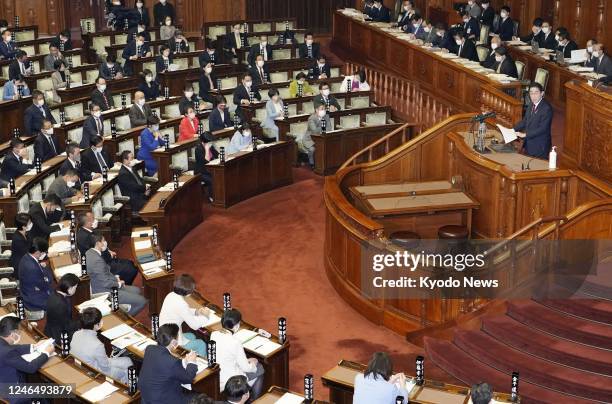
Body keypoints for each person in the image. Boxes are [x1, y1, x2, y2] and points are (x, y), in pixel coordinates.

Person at [87, 233, 147, 316]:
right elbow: (106, 283)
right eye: (103, 241)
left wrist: (116, 277)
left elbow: (105, 273)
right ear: (98, 244)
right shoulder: (97, 260)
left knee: (137, 290)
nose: (105, 242)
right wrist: (118, 284)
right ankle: (125, 319)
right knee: (142, 301)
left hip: (107, 284)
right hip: (105, 292)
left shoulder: (89, 252)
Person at [211, 309, 264, 399]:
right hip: (232, 380)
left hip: (217, 376)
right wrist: (253, 363)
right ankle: (253, 400)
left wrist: (246, 361)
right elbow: (246, 368)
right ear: (236, 325)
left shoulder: (214, 334)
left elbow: (226, 356)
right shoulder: (235, 342)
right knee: (260, 368)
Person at [70, 307, 134, 383]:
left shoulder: (76, 334)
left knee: (126, 361)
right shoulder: (97, 345)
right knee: (126, 365)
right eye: (101, 320)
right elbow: (105, 367)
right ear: (96, 325)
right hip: (95, 372)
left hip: (83, 365)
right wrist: (112, 360)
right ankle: (126, 388)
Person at [139, 323, 198, 404]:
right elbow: (188, 379)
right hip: (164, 400)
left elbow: (164, 366)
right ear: (173, 342)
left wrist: (184, 361)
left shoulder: (150, 349)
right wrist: (192, 362)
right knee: (198, 398)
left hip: (147, 398)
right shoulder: (171, 362)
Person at [76, 211, 138, 284]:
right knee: (131, 268)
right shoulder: (85, 237)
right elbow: (97, 254)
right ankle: (123, 286)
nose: (95, 219)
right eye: (93, 218)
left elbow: (100, 246)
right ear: (88, 222)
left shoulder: (87, 231)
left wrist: (108, 250)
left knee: (130, 263)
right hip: (102, 264)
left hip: (104, 257)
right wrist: (109, 253)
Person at [159, 274, 211, 357]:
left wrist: (196, 312)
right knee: (201, 344)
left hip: (165, 336)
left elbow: (182, 312)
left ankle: (191, 357)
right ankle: (200, 366)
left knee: (192, 336)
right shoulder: (181, 304)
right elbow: (195, 326)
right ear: (188, 293)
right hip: (173, 343)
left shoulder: (170, 295)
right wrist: (206, 316)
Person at [0, 316, 54, 387]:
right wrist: (46, 353)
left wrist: (34, 346)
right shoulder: (7, 352)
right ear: (12, 334)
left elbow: (12, 348)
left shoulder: (3, 344)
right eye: (19, 332)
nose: (20, 334)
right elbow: (30, 368)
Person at [513, 82, 553, 159]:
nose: (533, 96)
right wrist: (512, 129)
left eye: (536, 93)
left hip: (540, 145)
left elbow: (543, 129)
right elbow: (525, 121)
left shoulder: (546, 108)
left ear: (542, 93)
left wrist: (525, 135)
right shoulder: (531, 104)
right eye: (531, 93)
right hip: (529, 142)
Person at [18, 237, 52, 320]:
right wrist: (46, 271)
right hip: (33, 300)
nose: (45, 254)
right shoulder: (32, 267)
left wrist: (43, 268)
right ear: (37, 252)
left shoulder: (26, 257)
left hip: (28, 293)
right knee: (59, 303)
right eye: (44, 252)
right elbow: (47, 283)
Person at [44, 273, 80, 343]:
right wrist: (81, 321)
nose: (76, 290)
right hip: (58, 336)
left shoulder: (54, 293)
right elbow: (66, 326)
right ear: (69, 288)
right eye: (75, 287)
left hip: (51, 329)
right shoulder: (60, 304)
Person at [194, 131, 218, 201]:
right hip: (201, 172)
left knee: (220, 175)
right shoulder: (198, 149)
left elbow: (216, 154)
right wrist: (207, 149)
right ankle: (212, 197)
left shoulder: (210, 146)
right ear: (204, 142)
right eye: (209, 142)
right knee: (213, 179)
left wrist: (222, 155)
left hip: (210, 169)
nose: (211, 144)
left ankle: (220, 195)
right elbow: (206, 161)